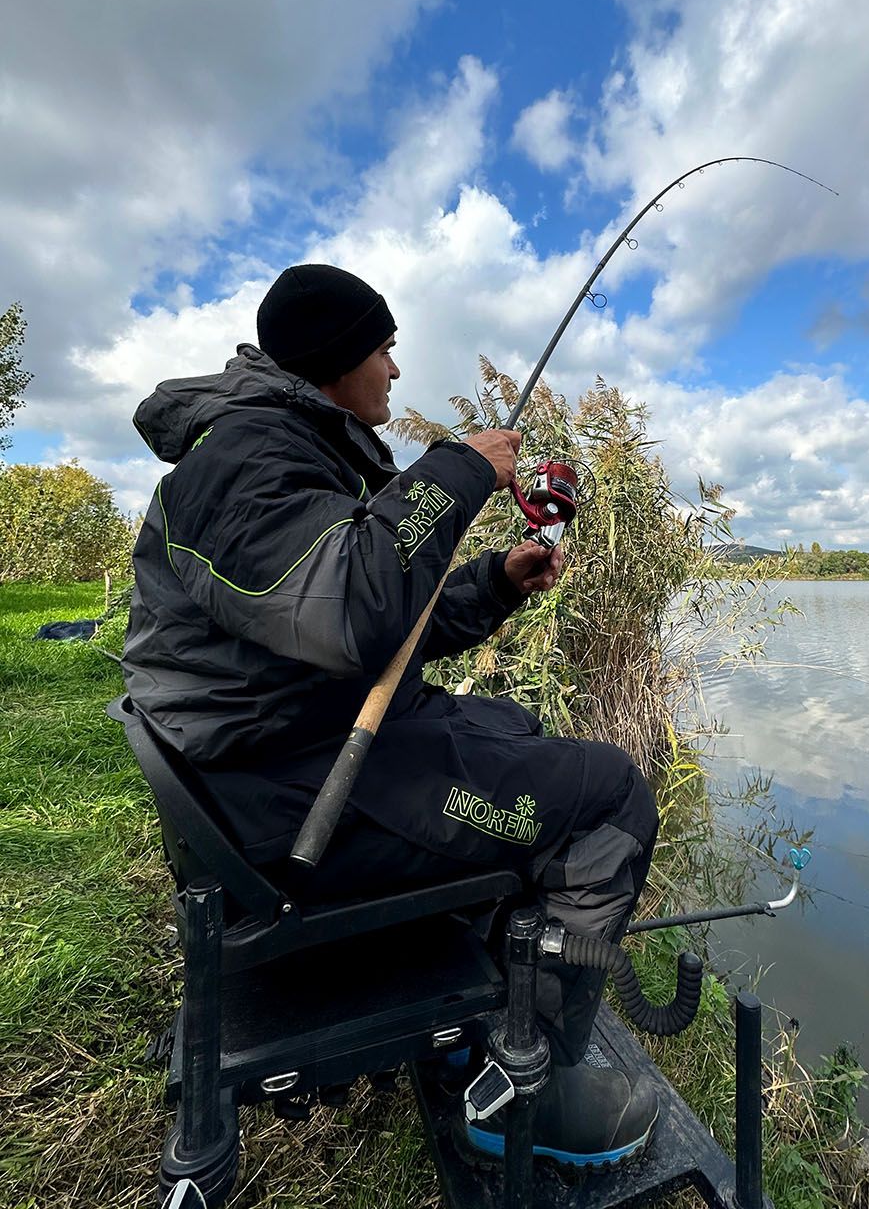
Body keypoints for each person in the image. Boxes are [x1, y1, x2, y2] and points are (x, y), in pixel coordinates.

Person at [123, 263, 660, 1168]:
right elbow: (346, 610)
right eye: (385, 351)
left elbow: (377, 635)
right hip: (291, 807)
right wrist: (457, 469)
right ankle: (523, 1088)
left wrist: (490, 582)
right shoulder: (242, 462)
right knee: (610, 797)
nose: (396, 373)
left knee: (516, 728)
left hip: (296, 754)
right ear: (339, 360)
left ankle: (495, 986)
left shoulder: (288, 453)